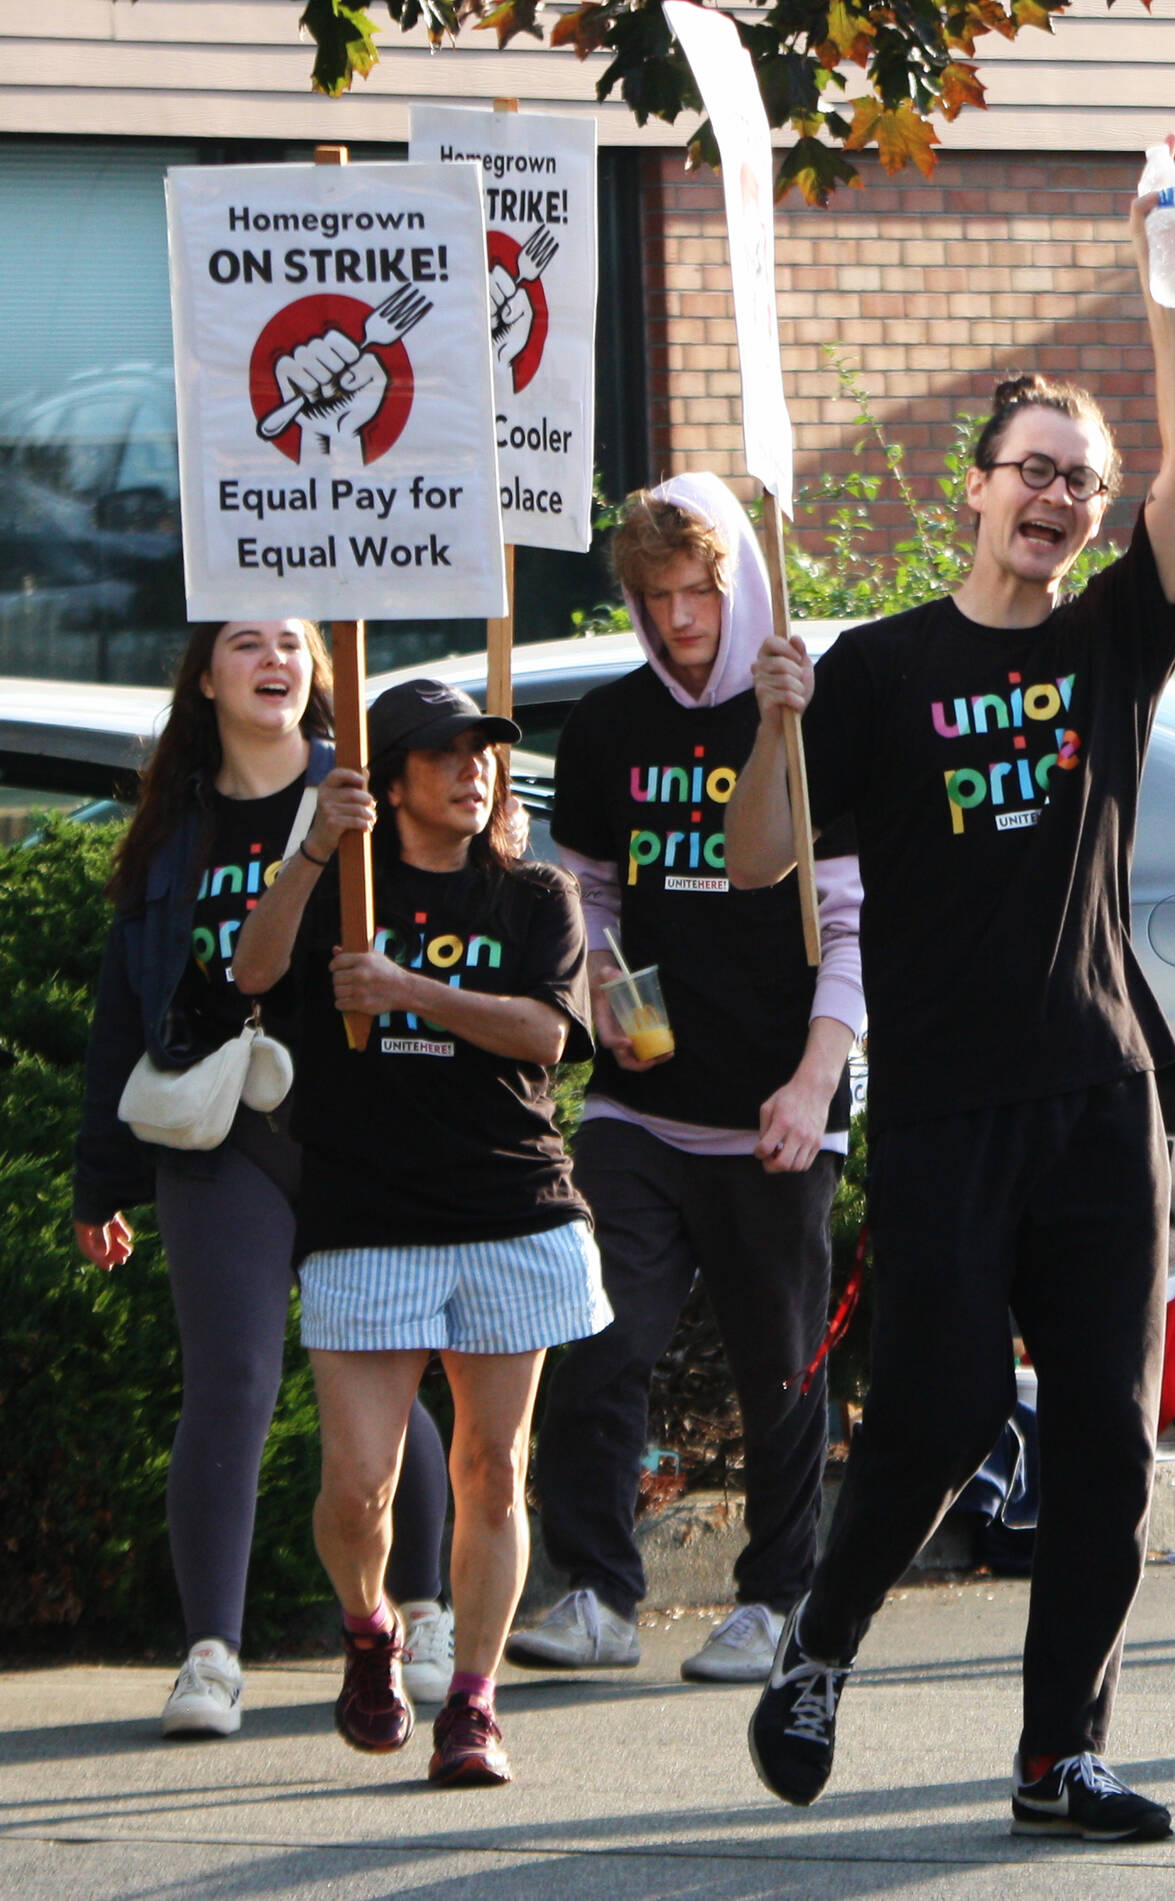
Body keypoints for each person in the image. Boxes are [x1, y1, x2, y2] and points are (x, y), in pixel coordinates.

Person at [726, 133, 1175, 1843]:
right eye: (1030, 467)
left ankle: (1054, 1755)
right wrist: (776, 722)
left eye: (1075, 481)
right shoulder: (875, 670)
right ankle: (822, 1641)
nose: (1055, 497)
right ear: (975, 486)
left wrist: (1171, 286)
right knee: (937, 1412)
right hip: (943, 1104)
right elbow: (752, 864)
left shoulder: (1106, 646)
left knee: (1103, 1434)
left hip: (1098, 1091)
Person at [507, 473, 862, 1682]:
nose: (679, 620)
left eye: (700, 591)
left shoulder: (807, 714)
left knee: (781, 1366)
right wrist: (603, 980)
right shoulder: (609, 727)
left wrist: (816, 1081)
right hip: (639, 1099)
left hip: (778, 1099)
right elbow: (589, 894)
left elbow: (851, 922)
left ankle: (777, 1599)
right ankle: (599, 1590)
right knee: (601, 1337)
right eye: (654, 598)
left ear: (740, 582)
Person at [72, 618, 452, 1741]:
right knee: (231, 1378)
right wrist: (99, 1183)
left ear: (319, 666)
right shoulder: (166, 834)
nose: (274, 660)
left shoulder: (366, 792)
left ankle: (423, 1611)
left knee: (385, 1376)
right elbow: (120, 1017)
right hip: (217, 1132)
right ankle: (211, 1655)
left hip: (354, 1127)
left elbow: (457, 928)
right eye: (245, 643)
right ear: (204, 675)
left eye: (292, 641)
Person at [233, 678, 610, 1787]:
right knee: (359, 1484)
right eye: (443, 754)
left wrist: (407, 991)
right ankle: (367, 1629)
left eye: (482, 751)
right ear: (389, 779)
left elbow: (545, 1031)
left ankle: (475, 1705)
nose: (472, 769)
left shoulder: (535, 892)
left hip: (512, 1208)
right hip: (367, 1216)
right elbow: (251, 974)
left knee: (495, 1465)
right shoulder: (342, 890)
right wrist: (311, 851)